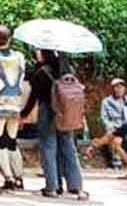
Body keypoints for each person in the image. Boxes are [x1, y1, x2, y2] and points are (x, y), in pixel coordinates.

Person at [22, 49, 87, 200]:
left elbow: (34, 97)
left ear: (45, 53)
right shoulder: (67, 70)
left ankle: (52, 187)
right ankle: (77, 187)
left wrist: (24, 114)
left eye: (39, 51)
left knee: (48, 148)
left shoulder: (42, 72)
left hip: (48, 112)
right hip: (65, 112)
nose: (36, 53)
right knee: (68, 148)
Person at [0, 25, 27, 193]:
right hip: (16, 106)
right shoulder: (20, 57)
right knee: (12, 142)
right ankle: (19, 178)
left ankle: (8, 178)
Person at [99, 78, 127, 167]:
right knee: (115, 137)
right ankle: (117, 161)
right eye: (116, 87)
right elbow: (104, 118)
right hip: (115, 126)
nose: (119, 89)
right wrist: (111, 126)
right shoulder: (106, 102)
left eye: (121, 87)